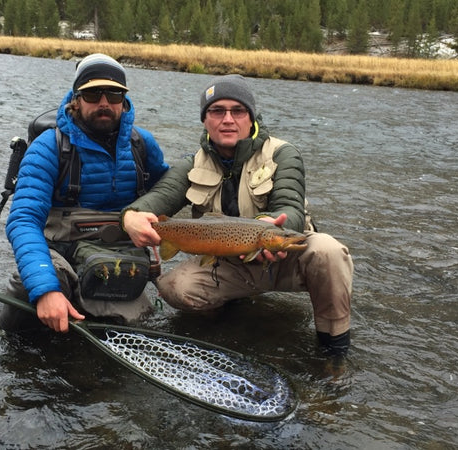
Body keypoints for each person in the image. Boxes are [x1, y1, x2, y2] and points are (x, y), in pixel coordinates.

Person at [121, 74, 353, 356]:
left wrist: (274, 225)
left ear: (251, 117)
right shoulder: (191, 164)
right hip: (228, 265)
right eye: (217, 111)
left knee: (329, 251)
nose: (228, 119)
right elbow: (160, 196)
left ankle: (334, 350)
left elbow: (290, 206)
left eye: (238, 110)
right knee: (174, 286)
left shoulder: (282, 154)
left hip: (282, 256)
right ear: (205, 120)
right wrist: (130, 216)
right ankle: (227, 323)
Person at [0, 53, 169, 333]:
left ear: (124, 102)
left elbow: (168, 193)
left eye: (114, 94)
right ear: (76, 99)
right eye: (92, 94)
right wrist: (45, 289)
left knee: (135, 328)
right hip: (63, 257)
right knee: (24, 292)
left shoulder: (142, 144)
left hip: (119, 260)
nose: (104, 103)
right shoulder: (48, 147)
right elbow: (24, 220)